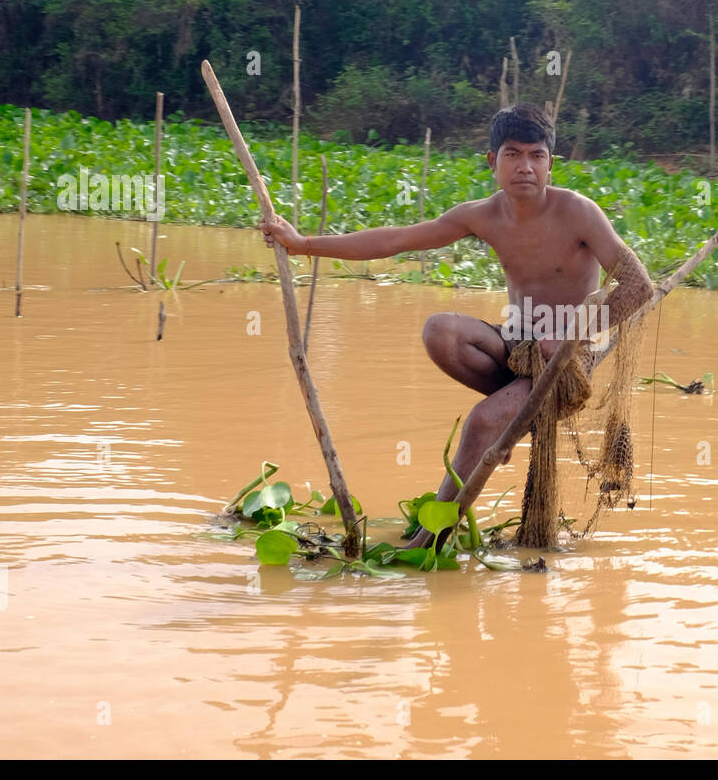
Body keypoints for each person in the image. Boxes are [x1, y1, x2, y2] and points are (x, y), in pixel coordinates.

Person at [261, 102, 653, 541]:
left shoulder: (579, 212)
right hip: (517, 345)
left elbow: (640, 287)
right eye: (512, 154)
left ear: (550, 165)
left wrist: (569, 336)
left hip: (567, 360)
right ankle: (517, 413)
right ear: (492, 161)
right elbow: (396, 239)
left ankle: (429, 538)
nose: (525, 166)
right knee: (440, 331)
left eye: (536, 155)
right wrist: (303, 244)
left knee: (483, 422)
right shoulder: (482, 215)